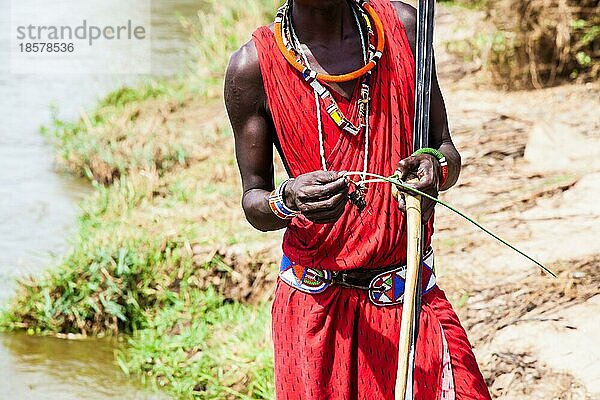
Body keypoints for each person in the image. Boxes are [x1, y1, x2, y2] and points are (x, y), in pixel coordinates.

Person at [224, 0, 492, 398]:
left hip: (407, 297)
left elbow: (446, 150)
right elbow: (254, 201)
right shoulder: (253, 67)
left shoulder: (404, 28)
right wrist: (289, 200)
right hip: (313, 313)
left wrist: (435, 167)